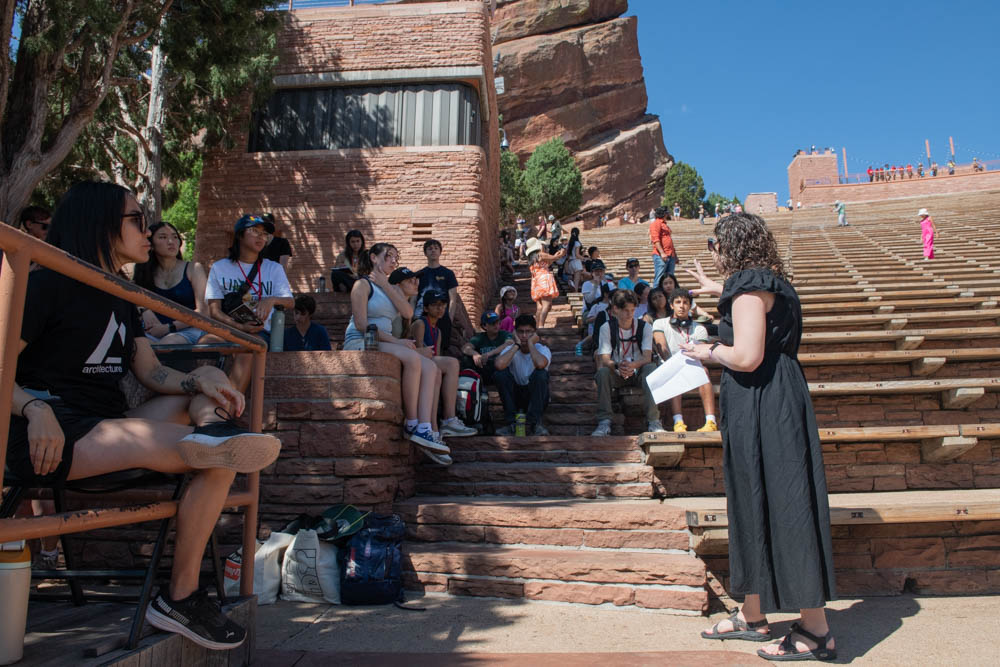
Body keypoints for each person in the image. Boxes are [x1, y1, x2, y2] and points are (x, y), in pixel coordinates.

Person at [8, 181, 280, 650]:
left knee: (212, 416)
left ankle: (213, 433)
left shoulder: (121, 292)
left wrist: (200, 380)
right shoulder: (44, 281)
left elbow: (152, 371)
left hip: (105, 422)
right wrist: (33, 407)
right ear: (99, 224)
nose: (149, 230)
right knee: (217, 456)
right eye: (137, 219)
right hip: (47, 432)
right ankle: (182, 596)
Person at [685, 214, 837, 661]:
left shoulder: (749, 286)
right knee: (753, 503)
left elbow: (747, 356)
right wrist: (720, 289)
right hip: (773, 398)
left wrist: (705, 350)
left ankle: (816, 632)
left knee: (785, 506)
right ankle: (752, 615)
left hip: (764, 402)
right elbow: (756, 318)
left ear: (731, 245)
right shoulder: (766, 283)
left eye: (715, 242)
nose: (712, 249)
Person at [343, 244, 452, 462]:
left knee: (430, 367)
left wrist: (385, 282)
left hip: (385, 341)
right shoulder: (362, 285)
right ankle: (411, 423)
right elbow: (362, 324)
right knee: (413, 357)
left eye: (396, 256)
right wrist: (397, 341)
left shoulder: (386, 286)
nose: (393, 260)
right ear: (374, 258)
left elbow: (408, 311)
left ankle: (425, 426)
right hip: (362, 341)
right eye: (388, 256)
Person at [203, 215, 295, 392]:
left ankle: (226, 408)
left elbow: (290, 301)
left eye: (265, 234)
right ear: (239, 235)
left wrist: (271, 300)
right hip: (226, 329)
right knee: (206, 343)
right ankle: (198, 394)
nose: (261, 237)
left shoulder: (273, 268)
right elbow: (214, 311)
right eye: (254, 231)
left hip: (259, 332)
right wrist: (239, 326)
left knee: (248, 347)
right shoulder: (219, 268)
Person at [591, 290, 664, 437]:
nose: (630, 314)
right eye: (625, 310)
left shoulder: (645, 327)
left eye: (632, 310)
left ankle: (654, 421)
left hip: (638, 372)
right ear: (615, 309)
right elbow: (604, 357)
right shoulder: (607, 327)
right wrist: (618, 366)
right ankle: (604, 421)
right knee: (602, 373)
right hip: (616, 371)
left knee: (651, 368)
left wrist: (632, 366)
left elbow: (647, 357)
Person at [409, 289, 478, 438]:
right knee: (452, 363)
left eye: (443, 305)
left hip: (430, 364)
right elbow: (418, 350)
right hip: (415, 362)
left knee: (441, 371)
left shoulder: (438, 331)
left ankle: (437, 426)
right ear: (426, 308)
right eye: (435, 305)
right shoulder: (420, 324)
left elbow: (437, 356)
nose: (440, 308)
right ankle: (449, 419)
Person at [652, 287, 717, 432]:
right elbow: (661, 345)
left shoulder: (699, 328)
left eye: (686, 302)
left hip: (693, 365)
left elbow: (701, 353)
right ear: (671, 305)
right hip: (669, 365)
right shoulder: (660, 323)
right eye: (678, 302)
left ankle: (711, 421)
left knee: (704, 371)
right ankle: (678, 421)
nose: (682, 306)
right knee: (674, 372)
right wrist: (674, 363)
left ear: (690, 306)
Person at [133, 222, 209, 345]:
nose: (171, 241)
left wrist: (168, 328)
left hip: (188, 330)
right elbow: (132, 296)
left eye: (174, 237)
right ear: (150, 244)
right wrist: (144, 310)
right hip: (153, 332)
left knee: (168, 342)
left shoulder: (194, 268)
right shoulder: (144, 272)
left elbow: (204, 311)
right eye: (163, 237)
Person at [493, 314, 551, 436]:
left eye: (528, 332)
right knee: (500, 374)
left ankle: (534, 424)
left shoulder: (542, 349)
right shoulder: (511, 348)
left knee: (541, 374)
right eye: (520, 332)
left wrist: (530, 344)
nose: (524, 336)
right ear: (515, 333)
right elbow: (498, 365)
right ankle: (511, 424)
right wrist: (517, 345)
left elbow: (540, 364)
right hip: (516, 396)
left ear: (534, 333)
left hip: (535, 397)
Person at [416, 238, 467, 353]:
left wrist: (450, 318)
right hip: (422, 315)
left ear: (440, 252)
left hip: (442, 315)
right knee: (422, 346)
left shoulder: (448, 273)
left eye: (436, 248)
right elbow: (415, 296)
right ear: (425, 253)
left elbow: (453, 298)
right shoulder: (419, 274)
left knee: (441, 348)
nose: (433, 251)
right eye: (429, 249)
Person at [525, 237, 565, 329]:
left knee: (540, 306)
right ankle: (541, 326)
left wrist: (556, 255)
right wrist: (560, 254)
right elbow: (554, 258)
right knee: (547, 304)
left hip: (536, 281)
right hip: (544, 280)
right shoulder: (541, 254)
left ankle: (537, 326)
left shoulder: (534, 257)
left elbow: (550, 261)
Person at [462, 311, 512, 384]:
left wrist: (489, 354)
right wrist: (475, 354)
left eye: (498, 322)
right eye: (493, 323)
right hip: (484, 368)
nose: (497, 325)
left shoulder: (504, 334)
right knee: (466, 359)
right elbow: (465, 348)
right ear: (485, 326)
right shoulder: (480, 337)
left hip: (500, 369)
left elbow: (509, 344)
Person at [649, 206, 677, 288]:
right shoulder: (656, 223)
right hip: (661, 255)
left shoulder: (664, 224)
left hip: (670, 255)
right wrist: (662, 253)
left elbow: (669, 241)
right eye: (667, 212)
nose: (668, 214)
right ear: (664, 213)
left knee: (670, 279)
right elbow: (655, 239)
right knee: (659, 278)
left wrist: (675, 256)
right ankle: (655, 297)